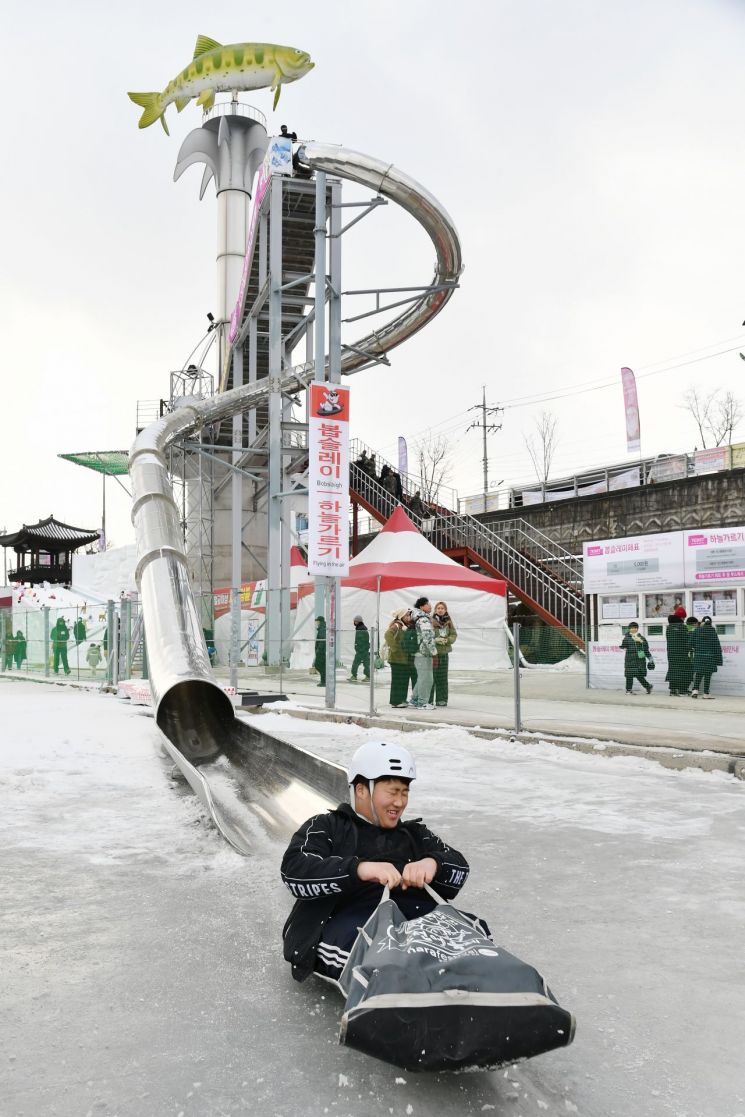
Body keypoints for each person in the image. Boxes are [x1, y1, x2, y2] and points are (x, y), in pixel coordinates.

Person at [280, 740, 471, 984]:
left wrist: (434, 864)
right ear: (361, 790)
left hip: (417, 923)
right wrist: (358, 869)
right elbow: (295, 870)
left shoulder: (415, 834)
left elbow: (460, 867)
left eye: (404, 793)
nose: (400, 802)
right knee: (390, 967)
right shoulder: (328, 827)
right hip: (351, 924)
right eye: (392, 792)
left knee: (476, 940)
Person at [384, 608, 416, 707]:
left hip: (403, 659)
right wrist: (395, 648)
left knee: (403, 680)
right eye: (406, 615)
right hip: (397, 659)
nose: (408, 617)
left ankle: (402, 699)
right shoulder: (397, 625)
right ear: (401, 616)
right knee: (398, 681)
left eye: (409, 615)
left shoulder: (405, 626)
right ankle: (396, 701)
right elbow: (388, 634)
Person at [409, 596, 436, 708]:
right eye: (428, 604)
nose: (430, 606)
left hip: (418, 652)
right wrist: (433, 651)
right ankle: (423, 702)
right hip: (424, 652)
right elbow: (427, 636)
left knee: (422, 677)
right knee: (427, 679)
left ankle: (415, 699)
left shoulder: (417, 618)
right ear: (422, 606)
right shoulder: (423, 619)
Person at [430, 601, 457, 707]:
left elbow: (454, 634)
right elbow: (426, 634)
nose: (440, 610)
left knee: (442, 677)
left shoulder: (449, 622)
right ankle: (429, 699)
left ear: (445, 610)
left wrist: (447, 640)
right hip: (434, 653)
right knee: (432, 676)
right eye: (438, 608)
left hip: (444, 653)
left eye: (442, 608)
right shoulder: (430, 621)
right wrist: (435, 640)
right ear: (435, 610)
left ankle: (442, 699)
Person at [689, 615, 723, 699]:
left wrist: (695, 648)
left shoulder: (697, 630)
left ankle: (695, 691)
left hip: (699, 656)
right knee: (708, 675)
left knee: (698, 674)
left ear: (702, 622)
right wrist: (719, 660)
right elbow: (717, 646)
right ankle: (706, 693)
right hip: (710, 657)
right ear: (710, 623)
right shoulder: (713, 631)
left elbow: (690, 643)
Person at [620, 622, 653, 694]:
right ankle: (628, 690)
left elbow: (646, 650)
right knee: (629, 675)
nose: (633, 629)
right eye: (631, 628)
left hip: (639, 660)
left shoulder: (642, 638)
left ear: (637, 629)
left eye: (635, 628)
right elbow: (623, 646)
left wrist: (651, 659)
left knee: (639, 675)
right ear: (629, 629)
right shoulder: (627, 638)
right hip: (630, 660)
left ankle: (648, 686)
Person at [665, 613, 689, 696]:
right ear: (680, 617)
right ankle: (682, 690)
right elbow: (687, 639)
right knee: (684, 671)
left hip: (671, 653)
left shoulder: (668, 628)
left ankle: (672, 690)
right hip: (682, 653)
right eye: (683, 617)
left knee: (673, 670)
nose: (684, 619)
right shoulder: (682, 627)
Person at [348, 615, 370, 682]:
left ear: (358, 621)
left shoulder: (361, 629)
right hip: (364, 649)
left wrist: (358, 649)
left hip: (361, 650)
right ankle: (368, 676)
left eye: (355, 621)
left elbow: (361, 641)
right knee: (366, 663)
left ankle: (354, 675)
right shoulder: (361, 628)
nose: (354, 622)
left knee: (356, 663)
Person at [313, 615, 326, 687]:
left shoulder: (322, 629)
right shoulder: (322, 628)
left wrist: (318, 650)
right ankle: (323, 681)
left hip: (321, 652)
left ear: (319, 621)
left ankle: (323, 681)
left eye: (317, 621)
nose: (316, 622)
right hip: (322, 651)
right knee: (322, 666)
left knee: (318, 665)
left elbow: (322, 641)